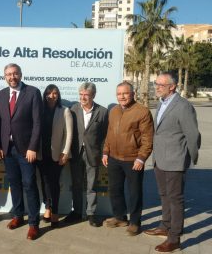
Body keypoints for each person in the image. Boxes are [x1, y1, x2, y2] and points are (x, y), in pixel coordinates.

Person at [144, 73, 201, 253]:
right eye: (156, 83)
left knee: (175, 199)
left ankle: (174, 237)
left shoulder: (183, 106)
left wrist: (188, 158)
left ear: (172, 87)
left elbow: (193, 135)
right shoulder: (162, 102)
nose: (157, 87)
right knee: (163, 195)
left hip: (175, 160)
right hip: (159, 159)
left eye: (161, 84)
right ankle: (165, 225)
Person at [0, 63, 42, 240]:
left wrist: (33, 147)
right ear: (5, 76)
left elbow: (38, 123)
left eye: (15, 74)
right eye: (8, 74)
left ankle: (34, 223)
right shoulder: (1, 95)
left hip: (26, 150)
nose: (12, 77)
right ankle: (18, 215)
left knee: (29, 184)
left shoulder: (33, 92)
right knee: (14, 183)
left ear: (20, 74)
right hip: (8, 149)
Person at [102, 81, 154, 236]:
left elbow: (147, 138)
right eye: (119, 94)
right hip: (114, 158)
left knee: (134, 192)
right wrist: (105, 151)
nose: (122, 96)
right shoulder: (114, 111)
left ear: (132, 94)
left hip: (133, 160)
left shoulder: (142, 112)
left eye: (125, 93)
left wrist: (142, 158)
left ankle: (135, 222)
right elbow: (110, 133)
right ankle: (120, 217)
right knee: (115, 189)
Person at [67, 82, 108, 227]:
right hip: (76, 153)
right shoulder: (73, 109)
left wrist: (104, 152)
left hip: (93, 154)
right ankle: (77, 212)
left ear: (93, 95)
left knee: (92, 186)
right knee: (76, 184)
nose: (83, 97)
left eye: (86, 95)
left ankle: (91, 213)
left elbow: (105, 136)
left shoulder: (102, 112)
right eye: (81, 94)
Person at [37, 84, 73, 228]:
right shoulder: (39, 110)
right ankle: (47, 207)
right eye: (49, 93)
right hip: (40, 153)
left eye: (55, 93)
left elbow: (69, 134)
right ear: (44, 95)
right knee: (44, 182)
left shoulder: (65, 111)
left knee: (54, 184)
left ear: (58, 95)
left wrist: (65, 152)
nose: (52, 96)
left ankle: (55, 211)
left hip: (57, 154)